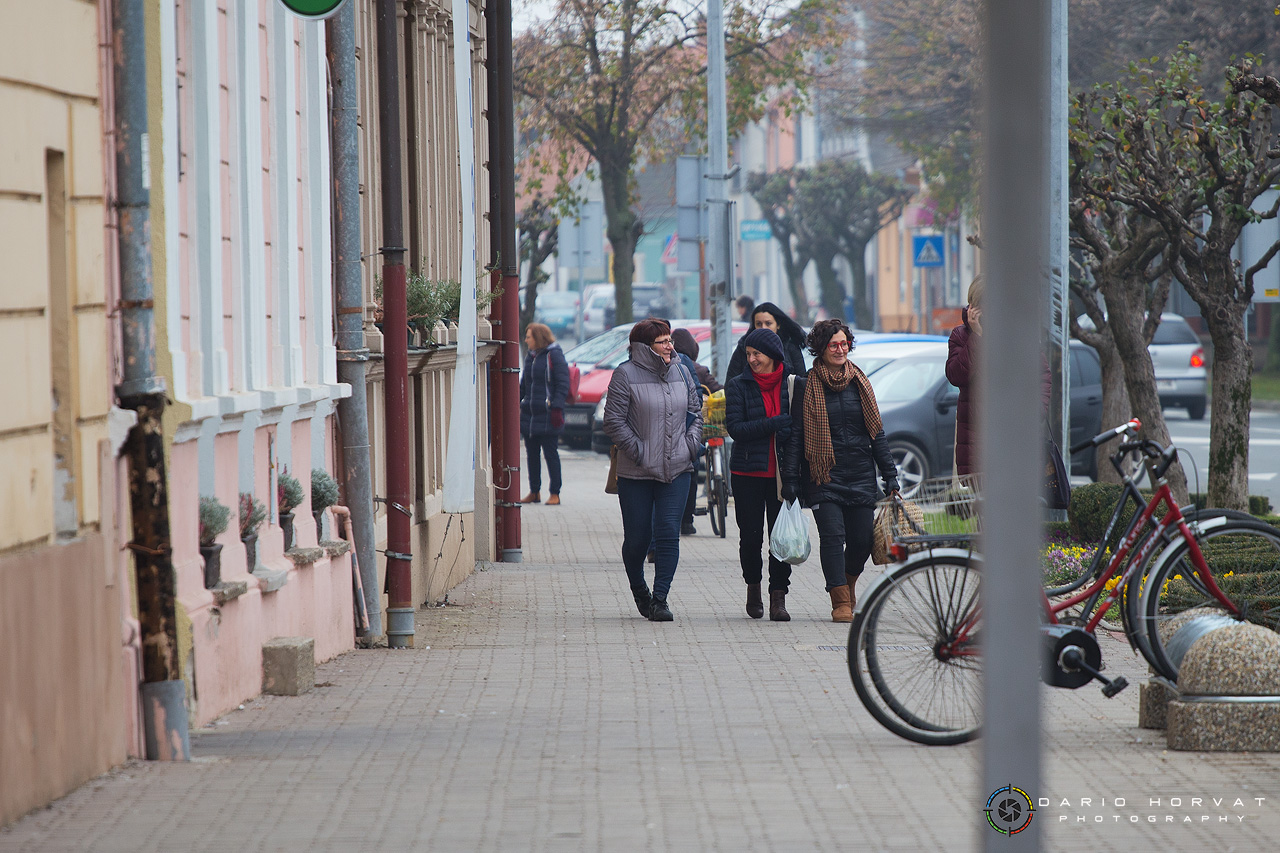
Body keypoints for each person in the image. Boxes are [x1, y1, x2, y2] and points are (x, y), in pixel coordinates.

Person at [781, 319, 899, 623]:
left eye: (845, 343)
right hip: (823, 475)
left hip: (860, 473)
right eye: (834, 344)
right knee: (833, 537)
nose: (840, 349)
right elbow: (796, 436)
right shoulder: (808, 384)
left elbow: (877, 433)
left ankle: (848, 583)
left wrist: (890, 475)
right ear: (820, 348)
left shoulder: (860, 381)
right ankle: (840, 601)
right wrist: (791, 479)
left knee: (861, 540)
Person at [602, 319, 703, 621]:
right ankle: (639, 589)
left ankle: (660, 599)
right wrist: (640, 451)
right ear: (645, 348)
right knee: (637, 539)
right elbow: (613, 421)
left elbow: (696, 413)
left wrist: (689, 447)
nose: (671, 347)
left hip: (677, 469)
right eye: (663, 342)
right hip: (637, 472)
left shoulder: (682, 372)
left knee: (669, 533)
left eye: (670, 340)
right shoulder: (625, 375)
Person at [724, 328, 795, 621]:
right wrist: (775, 423)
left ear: (773, 355)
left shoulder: (792, 385)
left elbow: (797, 428)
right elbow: (736, 429)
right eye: (749, 354)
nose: (752, 359)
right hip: (747, 472)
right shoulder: (738, 385)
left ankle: (778, 596)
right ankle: (753, 587)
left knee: (781, 539)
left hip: (781, 474)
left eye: (757, 354)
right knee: (751, 538)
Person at [671, 327, 719, 536]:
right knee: (691, 468)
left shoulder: (675, 366)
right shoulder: (701, 370)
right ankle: (687, 520)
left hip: (678, 427)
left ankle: (677, 516)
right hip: (699, 426)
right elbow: (718, 390)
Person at [519, 323, 569, 505]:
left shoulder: (554, 355)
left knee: (550, 454)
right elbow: (524, 384)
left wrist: (556, 407)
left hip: (548, 414)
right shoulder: (530, 356)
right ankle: (534, 491)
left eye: (529, 337)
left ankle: (555, 493)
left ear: (538, 338)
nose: (526, 340)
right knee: (531, 455)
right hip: (530, 415)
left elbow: (563, 383)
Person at [726, 302, 807, 382]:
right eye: (758, 324)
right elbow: (731, 382)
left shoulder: (790, 346)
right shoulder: (743, 347)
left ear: (778, 325)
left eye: (768, 323)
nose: (763, 328)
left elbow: (801, 381)